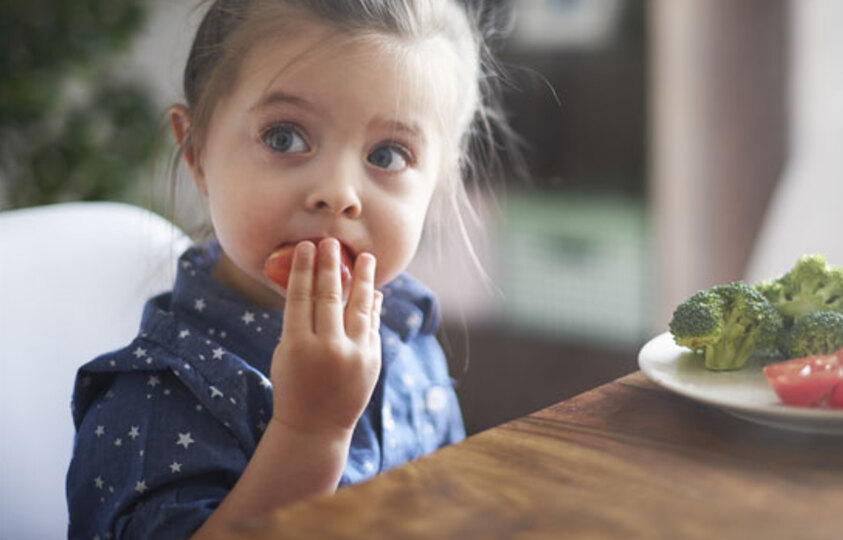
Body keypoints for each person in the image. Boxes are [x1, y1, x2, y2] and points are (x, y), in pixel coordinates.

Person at [66, 0, 513, 537]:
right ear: (196, 151)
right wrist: (310, 432)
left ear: (439, 185)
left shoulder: (406, 328)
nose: (338, 193)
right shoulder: (153, 399)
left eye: (388, 155)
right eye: (284, 138)